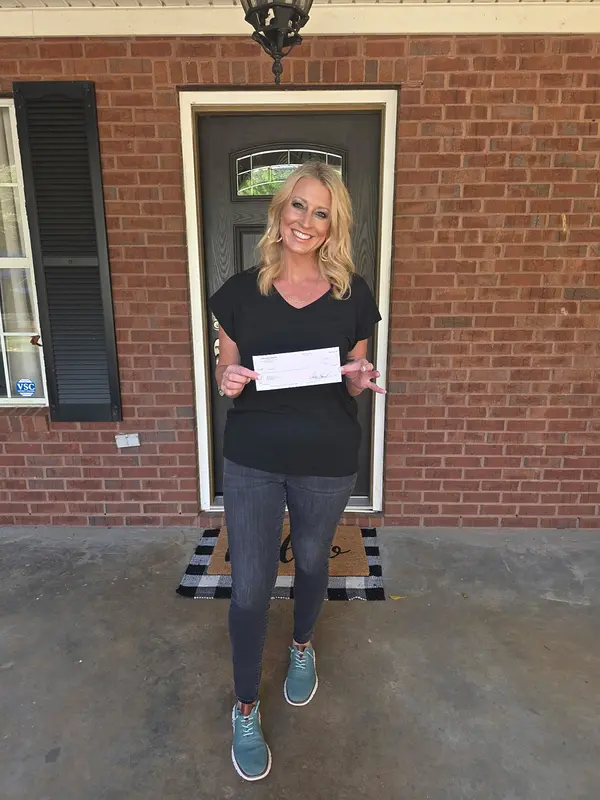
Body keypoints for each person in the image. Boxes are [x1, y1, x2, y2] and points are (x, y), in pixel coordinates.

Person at [209, 160, 384, 782]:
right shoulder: (239, 292)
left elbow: (354, 378)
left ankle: (302, 645)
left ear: (334, 225)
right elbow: (228, 373)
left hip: (325, 455)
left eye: (321, 212)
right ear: (279, 211)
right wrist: (227, 379)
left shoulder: (352, 293)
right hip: (254, 454)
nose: (306, 221)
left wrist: (359, 377)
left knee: (312, 560)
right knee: (250, 586)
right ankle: (245, 707)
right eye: (298, 205)